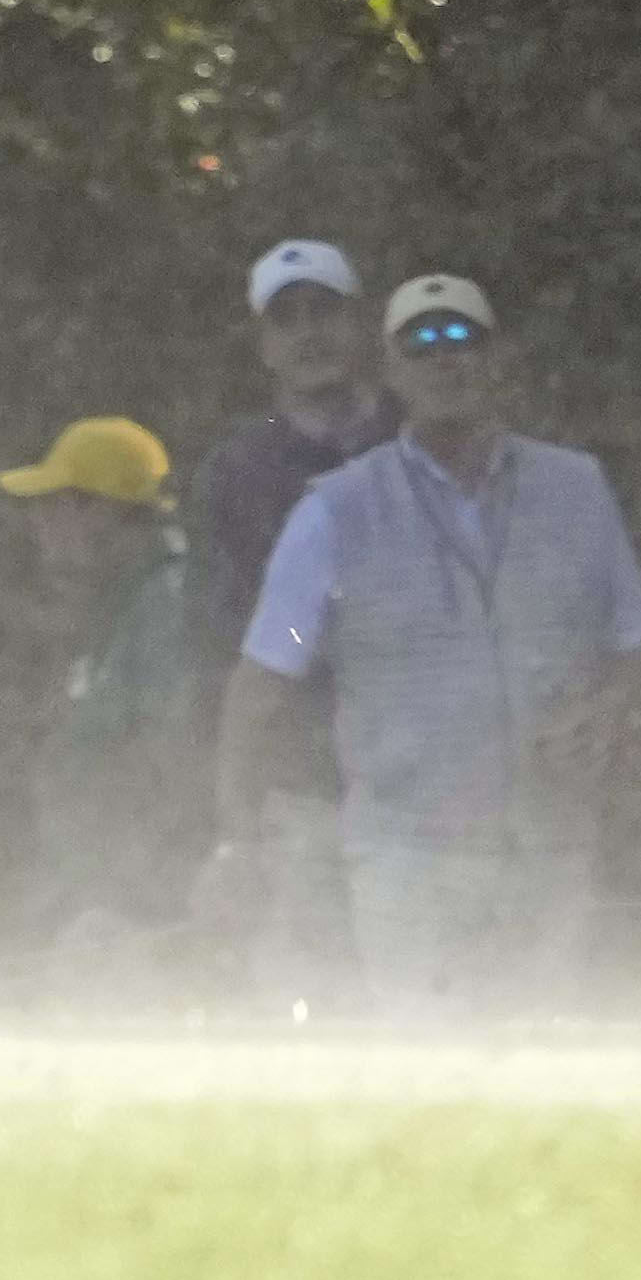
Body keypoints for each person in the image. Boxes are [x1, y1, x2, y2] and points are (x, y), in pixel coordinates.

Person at [211, 276, 641, 1013]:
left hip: (549, 846)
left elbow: (640, 643)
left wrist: (615, 711)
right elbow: (270, 668)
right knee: (429, 1064)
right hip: (407, 855)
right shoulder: (336, 509)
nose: (442, 358)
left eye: (462, 338)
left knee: (551, 1063)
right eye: (419, 343)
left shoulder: (576, 488)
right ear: (390, 368)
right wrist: (235, 835)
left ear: (496, 358)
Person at [188, 239, 395, 1001]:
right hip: (301, 789)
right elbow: (220, 640)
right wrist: (235, 808)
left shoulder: (416, 439)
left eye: (326, 312)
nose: (310, 334)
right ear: (264, 346)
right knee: (316, 1005)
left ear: (361, 323)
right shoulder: (235, 474)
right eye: (288, 319)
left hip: (422, 777)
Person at [0, 416, 214, 991]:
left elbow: (182, 777)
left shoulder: (167, 608)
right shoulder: (120, 605)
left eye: (55, 504)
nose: (38, 524)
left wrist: (132, 904)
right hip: (106, 911)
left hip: (146, 926)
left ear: (101, 512)